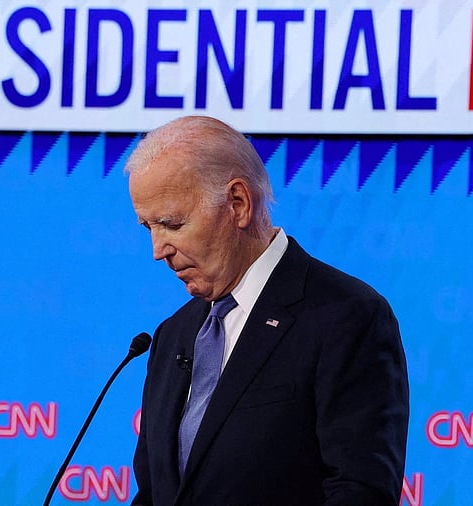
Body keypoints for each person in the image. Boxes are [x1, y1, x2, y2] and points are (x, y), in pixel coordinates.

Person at [125, 115, 409, 505]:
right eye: (147, 227)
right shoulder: (173, 334)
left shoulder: (346, 317)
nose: (158, 250)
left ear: (238, 204)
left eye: (172, 224)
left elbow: (359, 492)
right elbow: (156, 495)